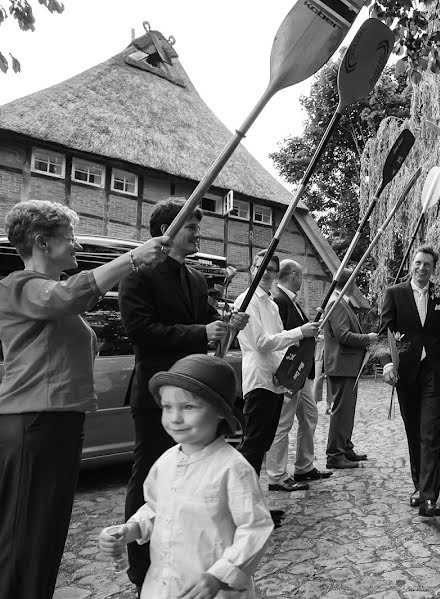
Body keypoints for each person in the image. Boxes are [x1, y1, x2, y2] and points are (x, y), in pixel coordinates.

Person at [0, 199, 168, 599]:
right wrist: (131, 258)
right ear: (42, 242)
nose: (76, 246)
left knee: (44, 532)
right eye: (69, 239)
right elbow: (66, 297)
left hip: (56, 421)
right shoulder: (16, 287)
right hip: (34, 421)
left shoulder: (53, 298)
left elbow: (72, 301)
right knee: (26, 533)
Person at [119, 197, 249, 589]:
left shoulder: (194, 278)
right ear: (166, 232)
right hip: (156, 393)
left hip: (195, 392)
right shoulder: (138, 274)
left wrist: (228, 323)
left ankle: (186, 548)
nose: (197, 232)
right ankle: (140, 566)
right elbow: (140, 331)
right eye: (191, 226)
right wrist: (199, 332)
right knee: (147, 477)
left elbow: (207, 323)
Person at [98, 354, 273, 598]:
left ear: (220, 411)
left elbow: (255, 528)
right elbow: (157, 508)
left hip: (212, 590)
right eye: (168, 407)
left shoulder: (232, 468)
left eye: (188, 407)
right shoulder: (166, 461)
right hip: (164, 586)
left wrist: (219, 575)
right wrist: (131, 529)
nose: (175, 418)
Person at [379, 246, 440, 516]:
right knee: (414, 433)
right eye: (418, 263)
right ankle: (419, 486)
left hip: (434, 373)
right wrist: (388, 363)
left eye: (427, 264)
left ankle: (429, 498)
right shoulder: (395, 294)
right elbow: (384, 333)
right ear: (411, 265)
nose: (422, 267)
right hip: (406, 373)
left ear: (433, 267)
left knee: (429, 433)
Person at [234, 250, 319, 501]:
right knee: (254, 445)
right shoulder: (246, 300)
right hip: (259, 380)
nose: (266, 273)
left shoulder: (271, 304)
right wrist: (300, 332)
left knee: (264, 444)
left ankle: (254, 504)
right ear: (252, 269)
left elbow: (280, 346)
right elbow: (260, 343)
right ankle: (243, 504)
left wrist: (287, 376)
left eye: (271, 270)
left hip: (275, 381)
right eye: (261, 268)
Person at [267, 259, 333, 489]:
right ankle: (277, 475)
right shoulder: (279, 301)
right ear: (294, 275)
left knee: (309, 415)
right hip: (288, 372)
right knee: (283, 423)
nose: (302, 280)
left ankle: (304, 467)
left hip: (301, 372)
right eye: (301, 276)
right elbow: (281, 336)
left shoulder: (291, 301)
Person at [324, 268, 377, 470]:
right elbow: (343, 336)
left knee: (348, 411)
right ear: (351, 283)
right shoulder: (336, 304)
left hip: (347, 367)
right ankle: (335, 455)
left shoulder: (342, 303)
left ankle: (345, 447)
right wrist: (368, 339)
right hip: (341, 366)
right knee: (341, 411)